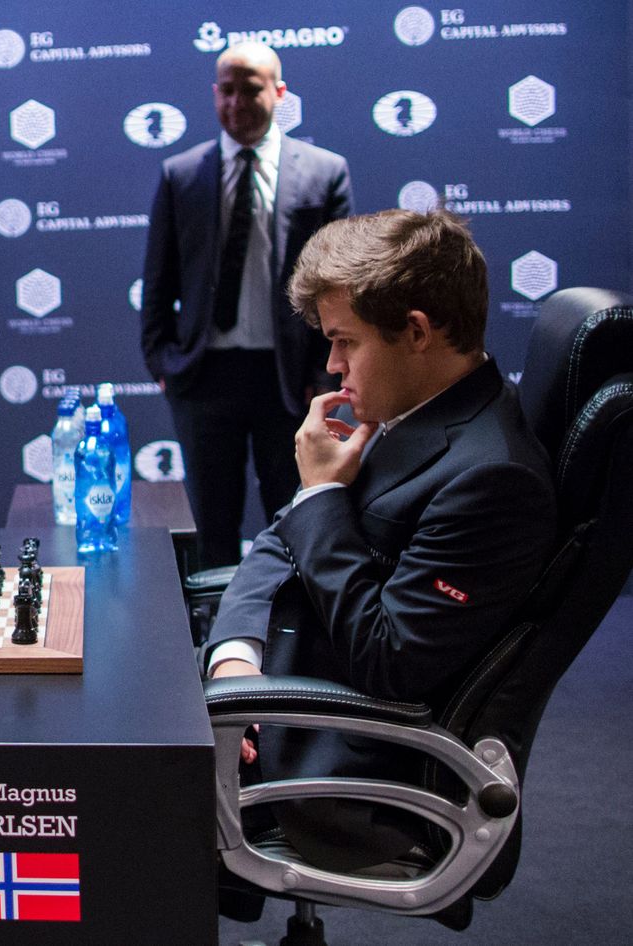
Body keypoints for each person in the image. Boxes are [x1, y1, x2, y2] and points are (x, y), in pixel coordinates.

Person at [206, 209, 557, 871]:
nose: (334, 367)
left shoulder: (494, 479)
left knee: (101, 789)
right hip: (274, 695)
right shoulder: (411, 412)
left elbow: (387, 659)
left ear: (417, 332)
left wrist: (322, 496)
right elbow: (285, 540)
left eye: (346, 342)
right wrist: (235, 660)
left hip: (338, 777)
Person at [141, 42, 352, 570]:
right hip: (204, 376)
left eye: (250, 89)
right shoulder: (180, 174)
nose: (236, 102)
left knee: (297, 511)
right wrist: (164, 363)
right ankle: (215, 641)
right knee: (213, 522)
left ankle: (289, 637)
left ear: (279, 93)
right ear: (215, 94)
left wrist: (322, 380)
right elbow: (157, 279)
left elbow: (339, 286)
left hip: (289, 382)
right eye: (226, 90)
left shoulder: (324, 173)